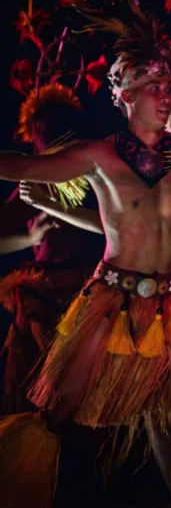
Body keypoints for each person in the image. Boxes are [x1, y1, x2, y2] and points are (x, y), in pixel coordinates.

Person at [0, 11, 171, 508]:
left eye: (169, 85)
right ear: (124, 95)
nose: (165, 93)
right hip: (110, 301)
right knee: (58, 412)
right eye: (152, 85)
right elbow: (21, 166)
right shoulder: (100, 155)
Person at [0, 85, 105, 415]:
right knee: (51, 390)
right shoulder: (37, 182)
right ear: (35, 130)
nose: (57, 131)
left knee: (82, 388)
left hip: (91, 287)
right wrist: (31, 240)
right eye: (48, 124)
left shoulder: (90, 171)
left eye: (63, 123)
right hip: (47, 292)